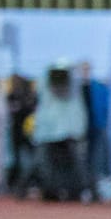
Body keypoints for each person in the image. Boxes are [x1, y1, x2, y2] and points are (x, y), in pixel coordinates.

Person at [33, 61, 89, 202]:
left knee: (76, 164)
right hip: (48, 130)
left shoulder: (74, 88)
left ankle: (78, 191)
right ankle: (49, 190)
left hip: (69, 129)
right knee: (45, 163)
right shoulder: (45, 86)